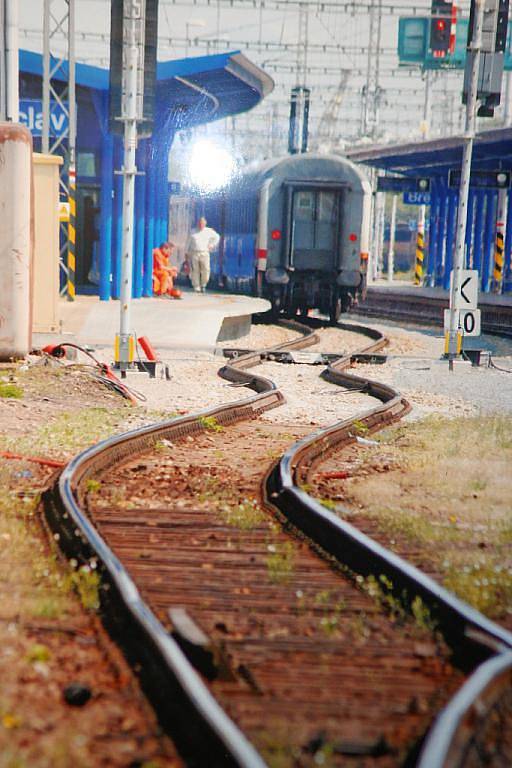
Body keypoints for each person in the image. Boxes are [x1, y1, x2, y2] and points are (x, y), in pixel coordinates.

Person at [185, 216, 220, 293]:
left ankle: (204, 284)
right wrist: (186, 253)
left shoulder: (209, 231)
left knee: (206, 269)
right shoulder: (192, 231)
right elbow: (188, 242)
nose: (201, 225)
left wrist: (212, 245)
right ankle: (196, 286)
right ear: (198, 224)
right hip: (194, 252)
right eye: (200, 223)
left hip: (204, 252)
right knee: (195, 270)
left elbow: (217, 237)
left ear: (205, 224)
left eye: (202, 223)